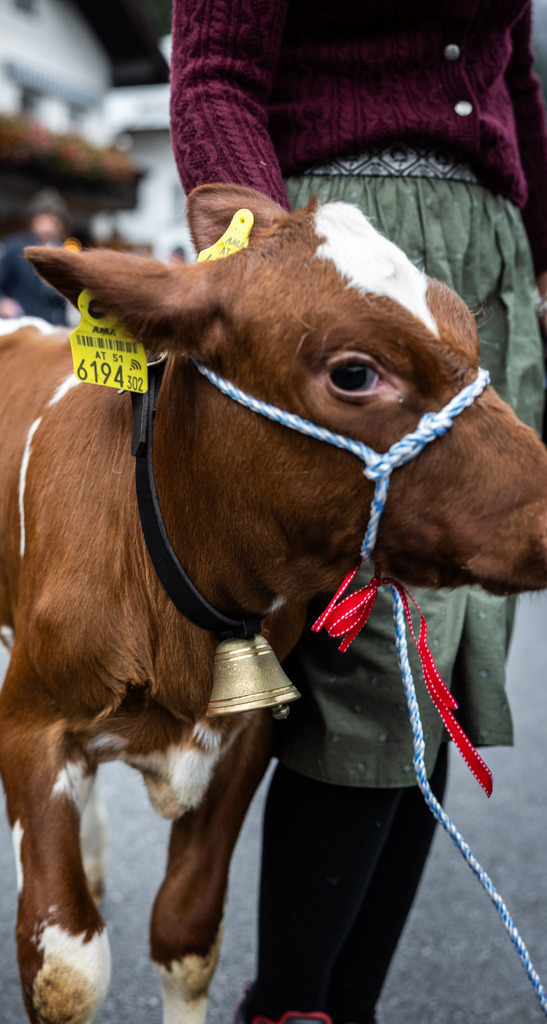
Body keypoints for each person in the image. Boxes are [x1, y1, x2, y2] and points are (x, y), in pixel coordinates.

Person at [169, 4, 547, 1024]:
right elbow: (213, 74)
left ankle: (344, 1008)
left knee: (455, 651)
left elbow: (510, 78)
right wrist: (270, 262)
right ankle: (287, 1006)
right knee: (381, 658)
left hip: (489, 263)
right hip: (346, 252)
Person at [0, 188, 70, 325]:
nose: (49, 224)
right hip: (20, 322)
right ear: (34, 219)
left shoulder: (63, 254)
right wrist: (2, 302)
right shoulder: (14, 247)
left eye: (53, 220)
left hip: (53, 326)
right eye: (45, 218)